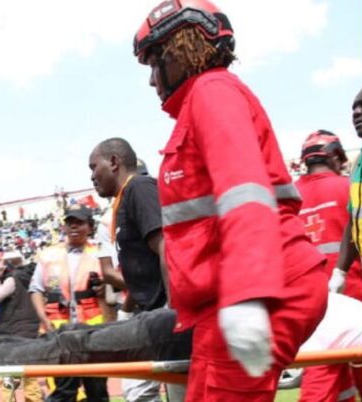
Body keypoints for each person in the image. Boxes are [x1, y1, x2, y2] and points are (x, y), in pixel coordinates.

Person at [133, 1, 330, 399]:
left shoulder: (212, 93)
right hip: (235, 296)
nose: (153, 80)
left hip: (265, 287)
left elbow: (244, 193)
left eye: (155, 63)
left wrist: (248, 294)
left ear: (183, 47)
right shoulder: (204, 101)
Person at [0, 292, 362, 376]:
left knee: (68, 345)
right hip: (194, 324)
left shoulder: (355, 320)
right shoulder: (356, 320)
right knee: (68, 343)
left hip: (194, 327)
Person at [88, 138, 169, 401]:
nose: (92, 176)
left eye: (94, 167)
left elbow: (167, 249)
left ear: (113, 162)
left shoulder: (140, 187)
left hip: (165, 311)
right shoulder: (123, 201)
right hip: (150, 313)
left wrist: (175, 311)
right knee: (139, 390)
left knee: (149, 390)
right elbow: (141, 271)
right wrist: (126, 311)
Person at [294, 130, 362, 402]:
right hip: (356, 300)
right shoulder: (348, 187)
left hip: (313, 306)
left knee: (323, 377)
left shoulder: (291, 196)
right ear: (336, 157)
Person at [29, 205, 108, 402]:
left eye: (79, 223)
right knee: (64, 391)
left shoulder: (101, 254)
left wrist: (105, 288)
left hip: (92, 333)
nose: (73, 227)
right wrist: (44, 321)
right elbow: (36, 289)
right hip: (59, 333)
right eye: (69, 223)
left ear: (90, 227)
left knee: (97, 390)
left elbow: (114, 289)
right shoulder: (48, 255)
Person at [331, 85, 362, 298]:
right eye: (353, 107)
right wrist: (340, 271)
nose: (356, 112)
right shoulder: (360, 163)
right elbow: (354, 219)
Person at [0, 251, 42, 402]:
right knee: (30, 375)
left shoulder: (13, 278)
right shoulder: (31, 278)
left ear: (8, 264)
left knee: (8, 375)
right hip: (30, 332)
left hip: (12, 333)